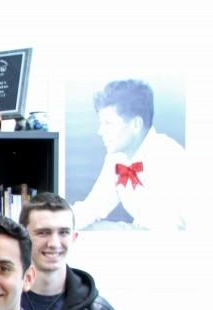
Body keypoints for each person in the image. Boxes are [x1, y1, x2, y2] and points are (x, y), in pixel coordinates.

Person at [72, 79, 188, 231]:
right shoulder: (117, 158)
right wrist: (56, 222)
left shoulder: (167, 157)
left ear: (135, 125)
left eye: (108, 123)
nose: (100, 132)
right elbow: (94, 205)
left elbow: (164, 230)